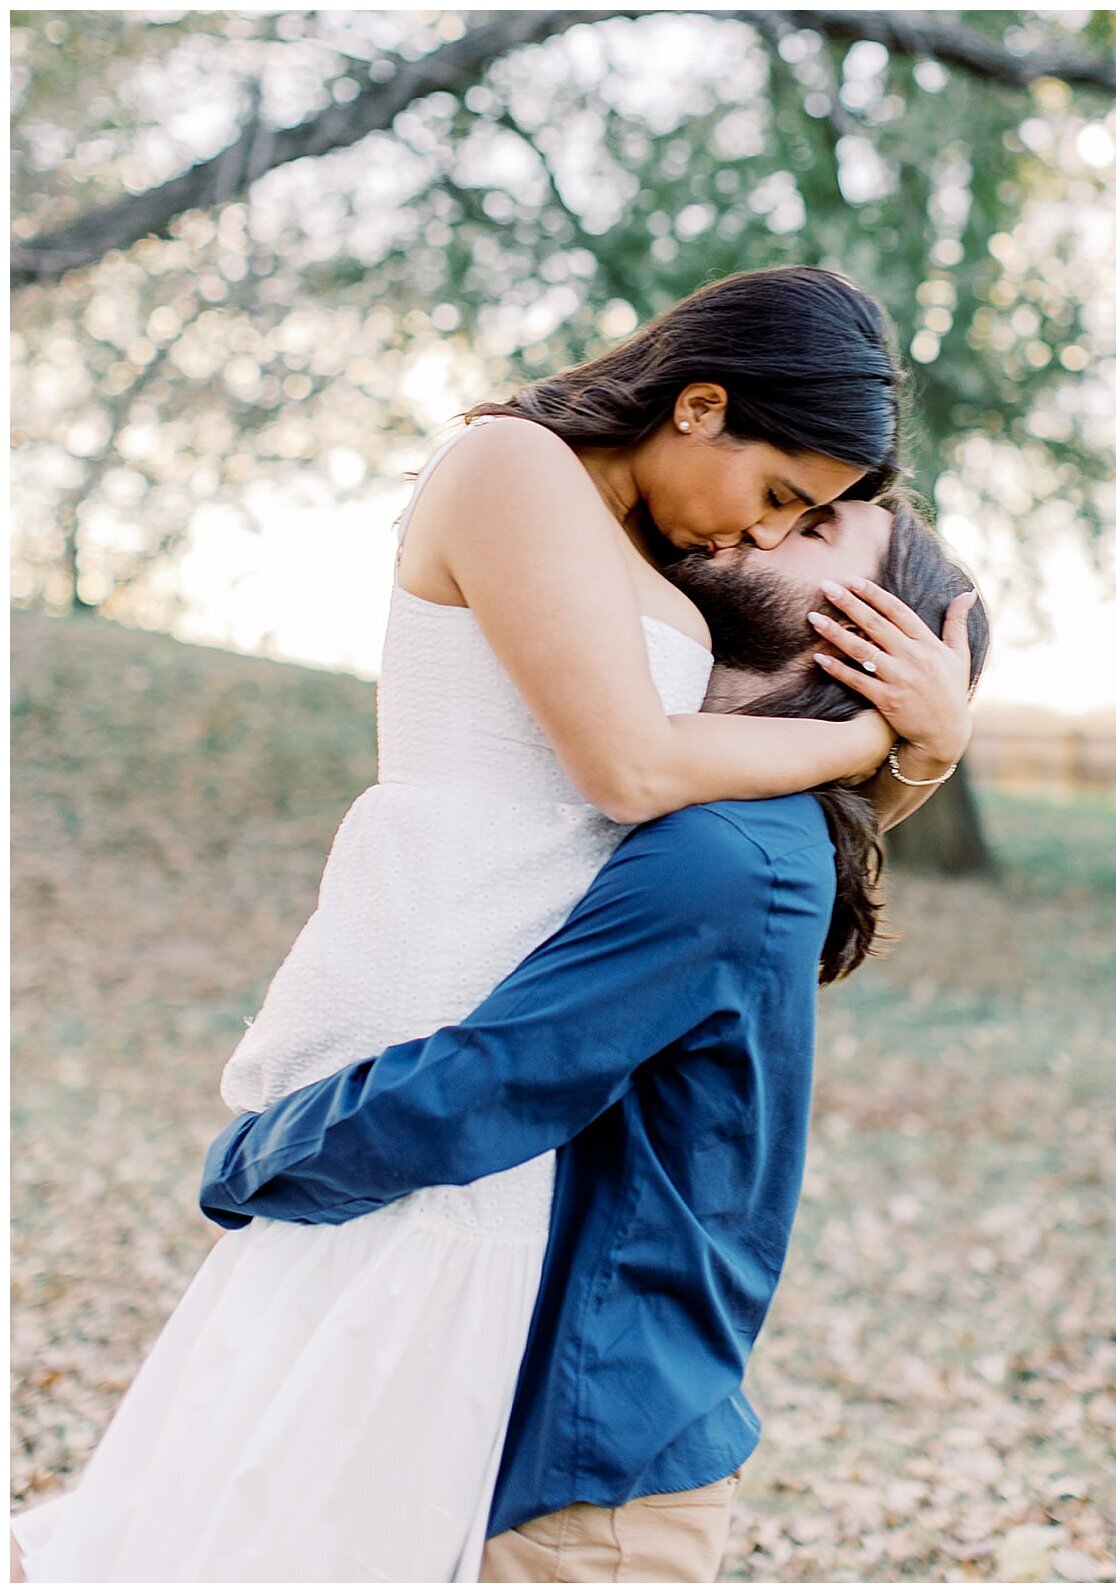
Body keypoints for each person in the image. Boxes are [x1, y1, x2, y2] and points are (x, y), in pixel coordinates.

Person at [11, 267, 966, 1583]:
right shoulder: (513, 465)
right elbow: (632, 772)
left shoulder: (649, 546)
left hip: (532, 1043)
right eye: (781, 494)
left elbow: (736, 854)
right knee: (290, 1479)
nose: (765, 533)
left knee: (395, 1474)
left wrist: (922, 752)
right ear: (699, 405)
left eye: (804, 520)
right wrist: (872, 733)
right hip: (446, 998)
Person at [199, 497, 990, 1582]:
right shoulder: (723, 816)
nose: (760, 528)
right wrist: (905, 753)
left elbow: (499, 1080)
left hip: (589, 1485)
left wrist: (258, 1154)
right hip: (531, 1426)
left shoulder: (723, 851)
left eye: (809, 531)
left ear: (866, 638)